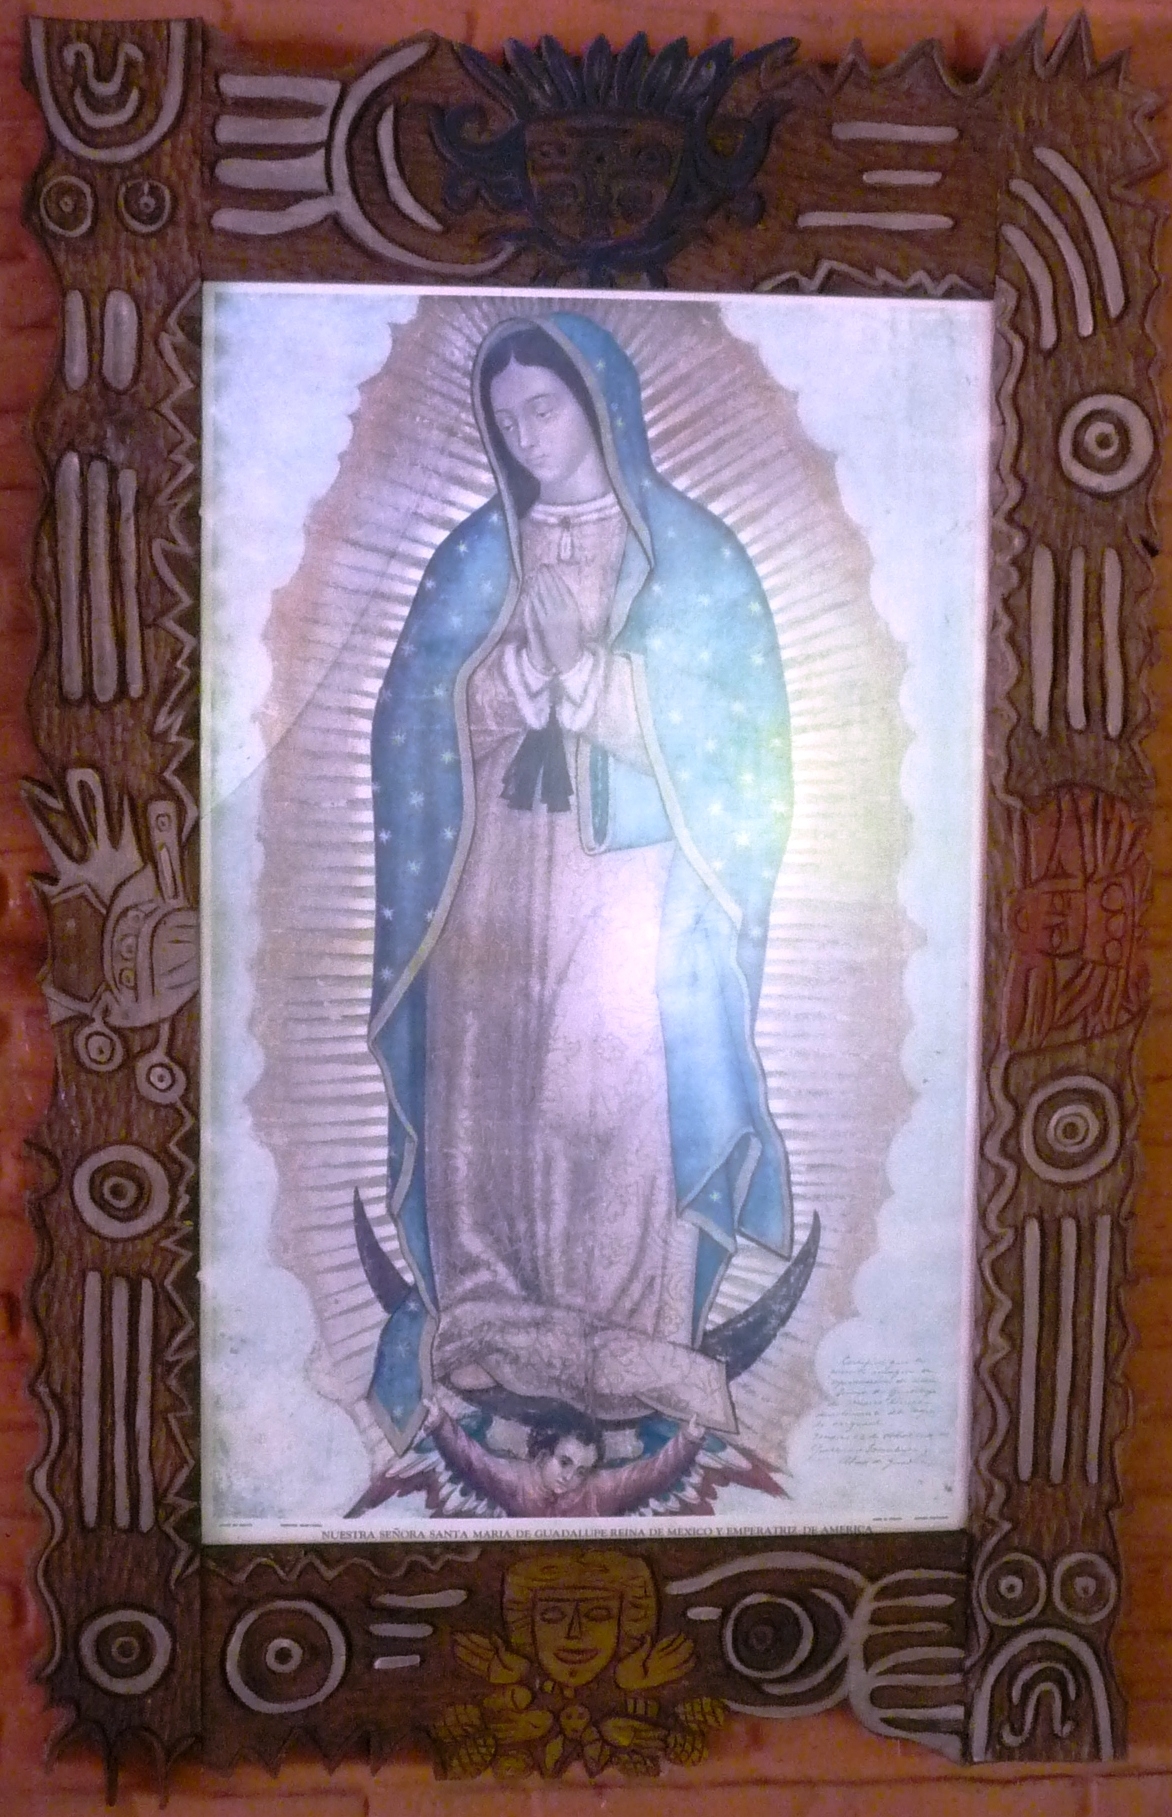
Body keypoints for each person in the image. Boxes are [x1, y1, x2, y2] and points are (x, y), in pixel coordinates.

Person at [367, 312, 793, 1453]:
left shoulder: (689, 553)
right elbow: (408, 718)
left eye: (542, 408)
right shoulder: (476, 554)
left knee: (605, 1088)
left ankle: (627, 1327)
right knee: (491, 1083)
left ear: (598, 403)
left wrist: (597, 683)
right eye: (505, 419)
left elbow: (744, 740)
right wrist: (508, 680)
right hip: (493, 879)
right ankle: (491, 1313)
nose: (525, 435)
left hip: (628, 879)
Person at [428, 1404, 705, 1518]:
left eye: (582, 1471)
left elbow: (651, 1475)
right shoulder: (515, 1480)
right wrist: (440, 1423)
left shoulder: (600, 1491)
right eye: (564, 1462)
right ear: (544, 1454)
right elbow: (472, 1461)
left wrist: (689, 1440)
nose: (570, 1477)